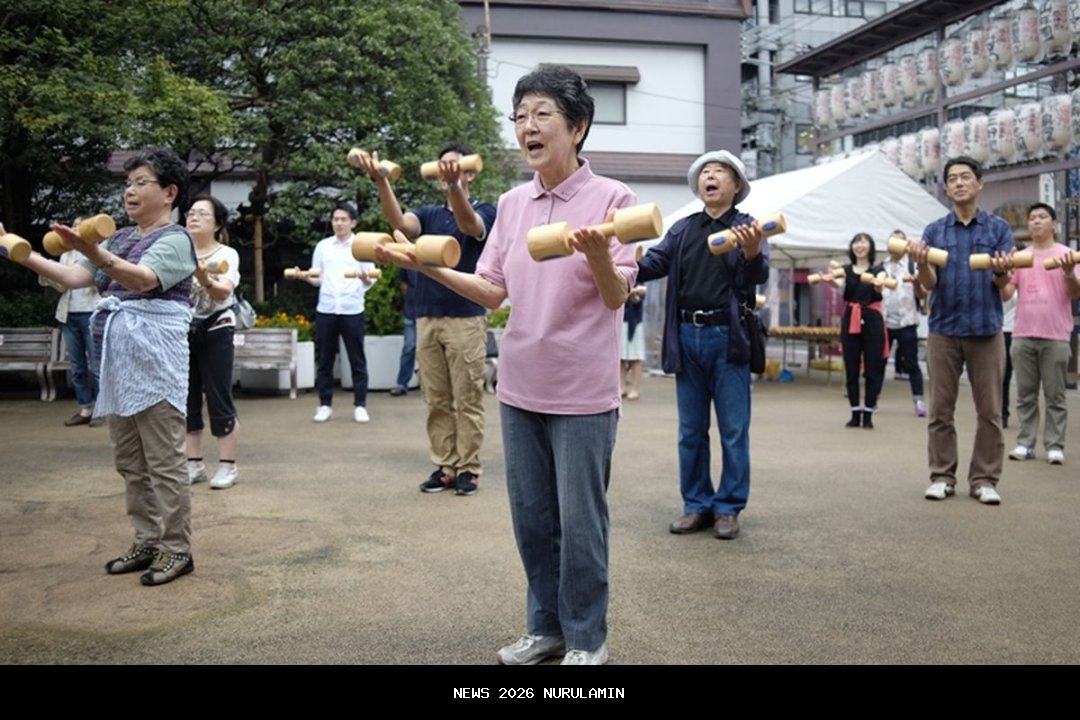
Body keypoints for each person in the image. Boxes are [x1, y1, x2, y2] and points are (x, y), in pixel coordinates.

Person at [378, 64, 636, 665]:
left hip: (582, 390)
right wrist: (426, 266)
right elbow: (492, 290)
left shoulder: (614, 199)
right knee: (533, 519)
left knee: (581, 523)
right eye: (520, 116)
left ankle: (587, 638)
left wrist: (599, 255)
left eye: (542, 114)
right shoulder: (514, 204)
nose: (528, 127)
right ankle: (545, 629)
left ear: (578, 126)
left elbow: (616, 295)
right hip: (520, 385)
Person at [2, 147, 197, 585]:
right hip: (118, 365)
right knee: (130, 462)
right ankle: (147, 540)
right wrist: (16, 249)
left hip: (156, 366)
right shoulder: (121, 237)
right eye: (127, 183)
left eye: (141, 182)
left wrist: (91, 249)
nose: (130, 190)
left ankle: (177, 550)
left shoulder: (176, 239)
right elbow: (74, 277)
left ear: (169, 193)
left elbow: (142, 280)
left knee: (164, 464)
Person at [637, 150, 768, 541]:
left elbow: (757, 274)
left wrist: (751, 250)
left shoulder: (747, 227)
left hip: (728, 337)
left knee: (733, 429)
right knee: (690, 430)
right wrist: (617, 257)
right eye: (705, 172)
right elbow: (651, 264)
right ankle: (696, 504)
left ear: (736, 185)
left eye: (720, 171)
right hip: (686, 335)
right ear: (698, 185)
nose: (710, 176)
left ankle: (728, 507)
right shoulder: (682, 229)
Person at [354, 143, 496, 496]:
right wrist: (381, 181)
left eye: (454, 166)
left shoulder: (485, 210)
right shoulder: (429, 213)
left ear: (469, 172)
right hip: (426, 317)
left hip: (466, 317)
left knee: (467, 398)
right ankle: (445, 465)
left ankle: (469, 468)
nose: (445, 171)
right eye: (442, 166)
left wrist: (455, 187)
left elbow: (469, 225)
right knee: (435, 398)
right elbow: (400, 223)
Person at [910, 156, 1015, 505]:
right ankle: (942, 476)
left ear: (979, 184)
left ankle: (984, 479)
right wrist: (922, 263)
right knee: (941, 410)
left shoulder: (998, 229)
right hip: (944, 330)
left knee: (990, 411)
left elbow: (1003, 283)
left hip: (986, 329)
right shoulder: (935, 231)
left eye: (965, 177)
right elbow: (929, 284)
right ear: (946, 188)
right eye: (952, 178)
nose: (958, 183)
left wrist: (1001, 270)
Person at [1005, 203, 1080, 464]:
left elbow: (1075, 293)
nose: (1036, 221)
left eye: (1042, 217)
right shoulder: (1021, 257)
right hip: (1023, 333)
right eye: (1032, 218)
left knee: (1055, 395)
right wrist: (1002, 272)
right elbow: (1006, 293)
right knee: (1025, 394)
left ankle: (1055, 445)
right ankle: (1025, 443)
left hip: (1056, 335)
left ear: (1054, 224)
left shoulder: (1067, 254)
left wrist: (1068, 272)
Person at [289, 201, 377, 424]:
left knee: (357, 359)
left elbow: (371, 279)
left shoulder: (361, 246)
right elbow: (317, 278)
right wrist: (303, 276)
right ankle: (325, 404)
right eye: (335, 219)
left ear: (353, 222)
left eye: (343, 219)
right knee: (325, 359)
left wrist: (365, 278)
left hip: (352, 308)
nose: (339, 223)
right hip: (327, 309)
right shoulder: (323, 246)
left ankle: (360, 405)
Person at [184, 195, 241, 489]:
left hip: (217, 327)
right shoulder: (179, 251)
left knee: (218, 396)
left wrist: (204, 278)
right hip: (183, 330)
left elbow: (223, 292)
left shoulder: (227, 254)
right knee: (187, 397)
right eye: (191, 213)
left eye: (202, 214)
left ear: (217, 224)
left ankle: (228, 466)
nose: (194, 217)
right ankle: (193, 464)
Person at [38, 215, 103, 427]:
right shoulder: (66, 254)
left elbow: (102, 282)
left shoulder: (98, 251)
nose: (76, 229)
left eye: (80, 226)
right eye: (74, 225)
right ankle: (85, 408)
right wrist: (44, 268)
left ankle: (101, 409)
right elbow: (62, 286)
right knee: (77, 366)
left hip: (92, 313)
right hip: (69, 315)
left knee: (97, 365)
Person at [826, 233, 887, 429]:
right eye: (856, 242)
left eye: (863, 242)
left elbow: (881, 286)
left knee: (872, 368)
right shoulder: (845, 270)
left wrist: (878, 285)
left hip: (872, 320)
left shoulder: (878, 270)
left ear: (871, 247)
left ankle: (868, 413)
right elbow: (838, 283)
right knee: (851, 368)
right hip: (851, 316)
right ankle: (854, 412)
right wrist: (829, 279)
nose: (859, 246)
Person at [881, 230, 927, 417]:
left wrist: (916, 283)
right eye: (893, 240)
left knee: (911, 363)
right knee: (879, 362)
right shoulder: (882, 266)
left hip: (907, 322)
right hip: (885, 322)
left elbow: (922, 294)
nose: (896, 244)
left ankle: (919, 400)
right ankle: (872, 400)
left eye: (900, 241)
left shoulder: (912, 265)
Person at [390, 268, 418, 397]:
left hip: (428, 313)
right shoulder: (408, 262)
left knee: (431, 349)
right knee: (409, 347)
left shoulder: (431, 258)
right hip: (411, 311)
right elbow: (404, 283)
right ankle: (402, 384)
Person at [620, 282, 647, 400]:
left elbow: (638, 300)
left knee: (636, 358)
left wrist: (634, 294)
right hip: (620, 321)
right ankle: (621, 387)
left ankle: (635, 388)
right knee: (620, 358)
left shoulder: (640, 278)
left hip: (634, 323)